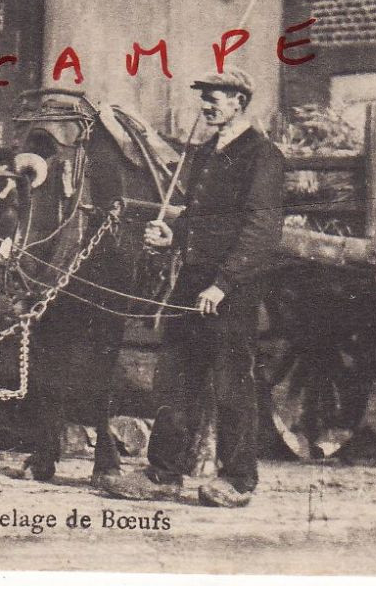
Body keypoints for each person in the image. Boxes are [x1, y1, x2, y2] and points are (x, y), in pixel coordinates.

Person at [98, 69, 284, 508]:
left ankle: (238, 480)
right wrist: (173, 235)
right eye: (203, 97)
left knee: (231, 382)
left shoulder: (262, 156)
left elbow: (261, 229)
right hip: (193, 280)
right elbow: (203, 217)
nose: (206, 105)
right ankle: (164, 474)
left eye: (215, 97)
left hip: (231, 287)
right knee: (176, 376)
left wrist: (223, 284)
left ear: (240, 101)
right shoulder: (204, 154)